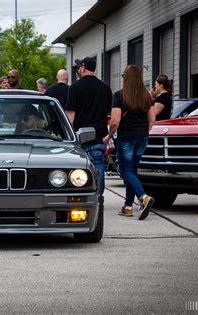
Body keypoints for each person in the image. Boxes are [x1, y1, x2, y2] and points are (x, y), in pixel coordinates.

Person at [102, 64, 156, 220]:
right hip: (142, 138)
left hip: (126, 138)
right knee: (132, 170)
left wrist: (109, 136)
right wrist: (143, 132)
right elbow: (152, 120)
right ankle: (127, 206)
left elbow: (115, 122)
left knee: (125, 171)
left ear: (125, 79)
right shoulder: (147, 96)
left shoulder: (119, 95)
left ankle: (143, 197)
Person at [65, 57, 112, 209]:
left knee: (79, 170)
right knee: (99, 167)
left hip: (80, 137)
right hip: (99, 135)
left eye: (78, 67)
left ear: (83, 68)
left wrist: (66, 135)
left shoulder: (75, 88)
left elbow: (70, 115)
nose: (77, 70)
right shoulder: (105, 88)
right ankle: (99, 198)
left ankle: (81, 199)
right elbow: (110, 113)